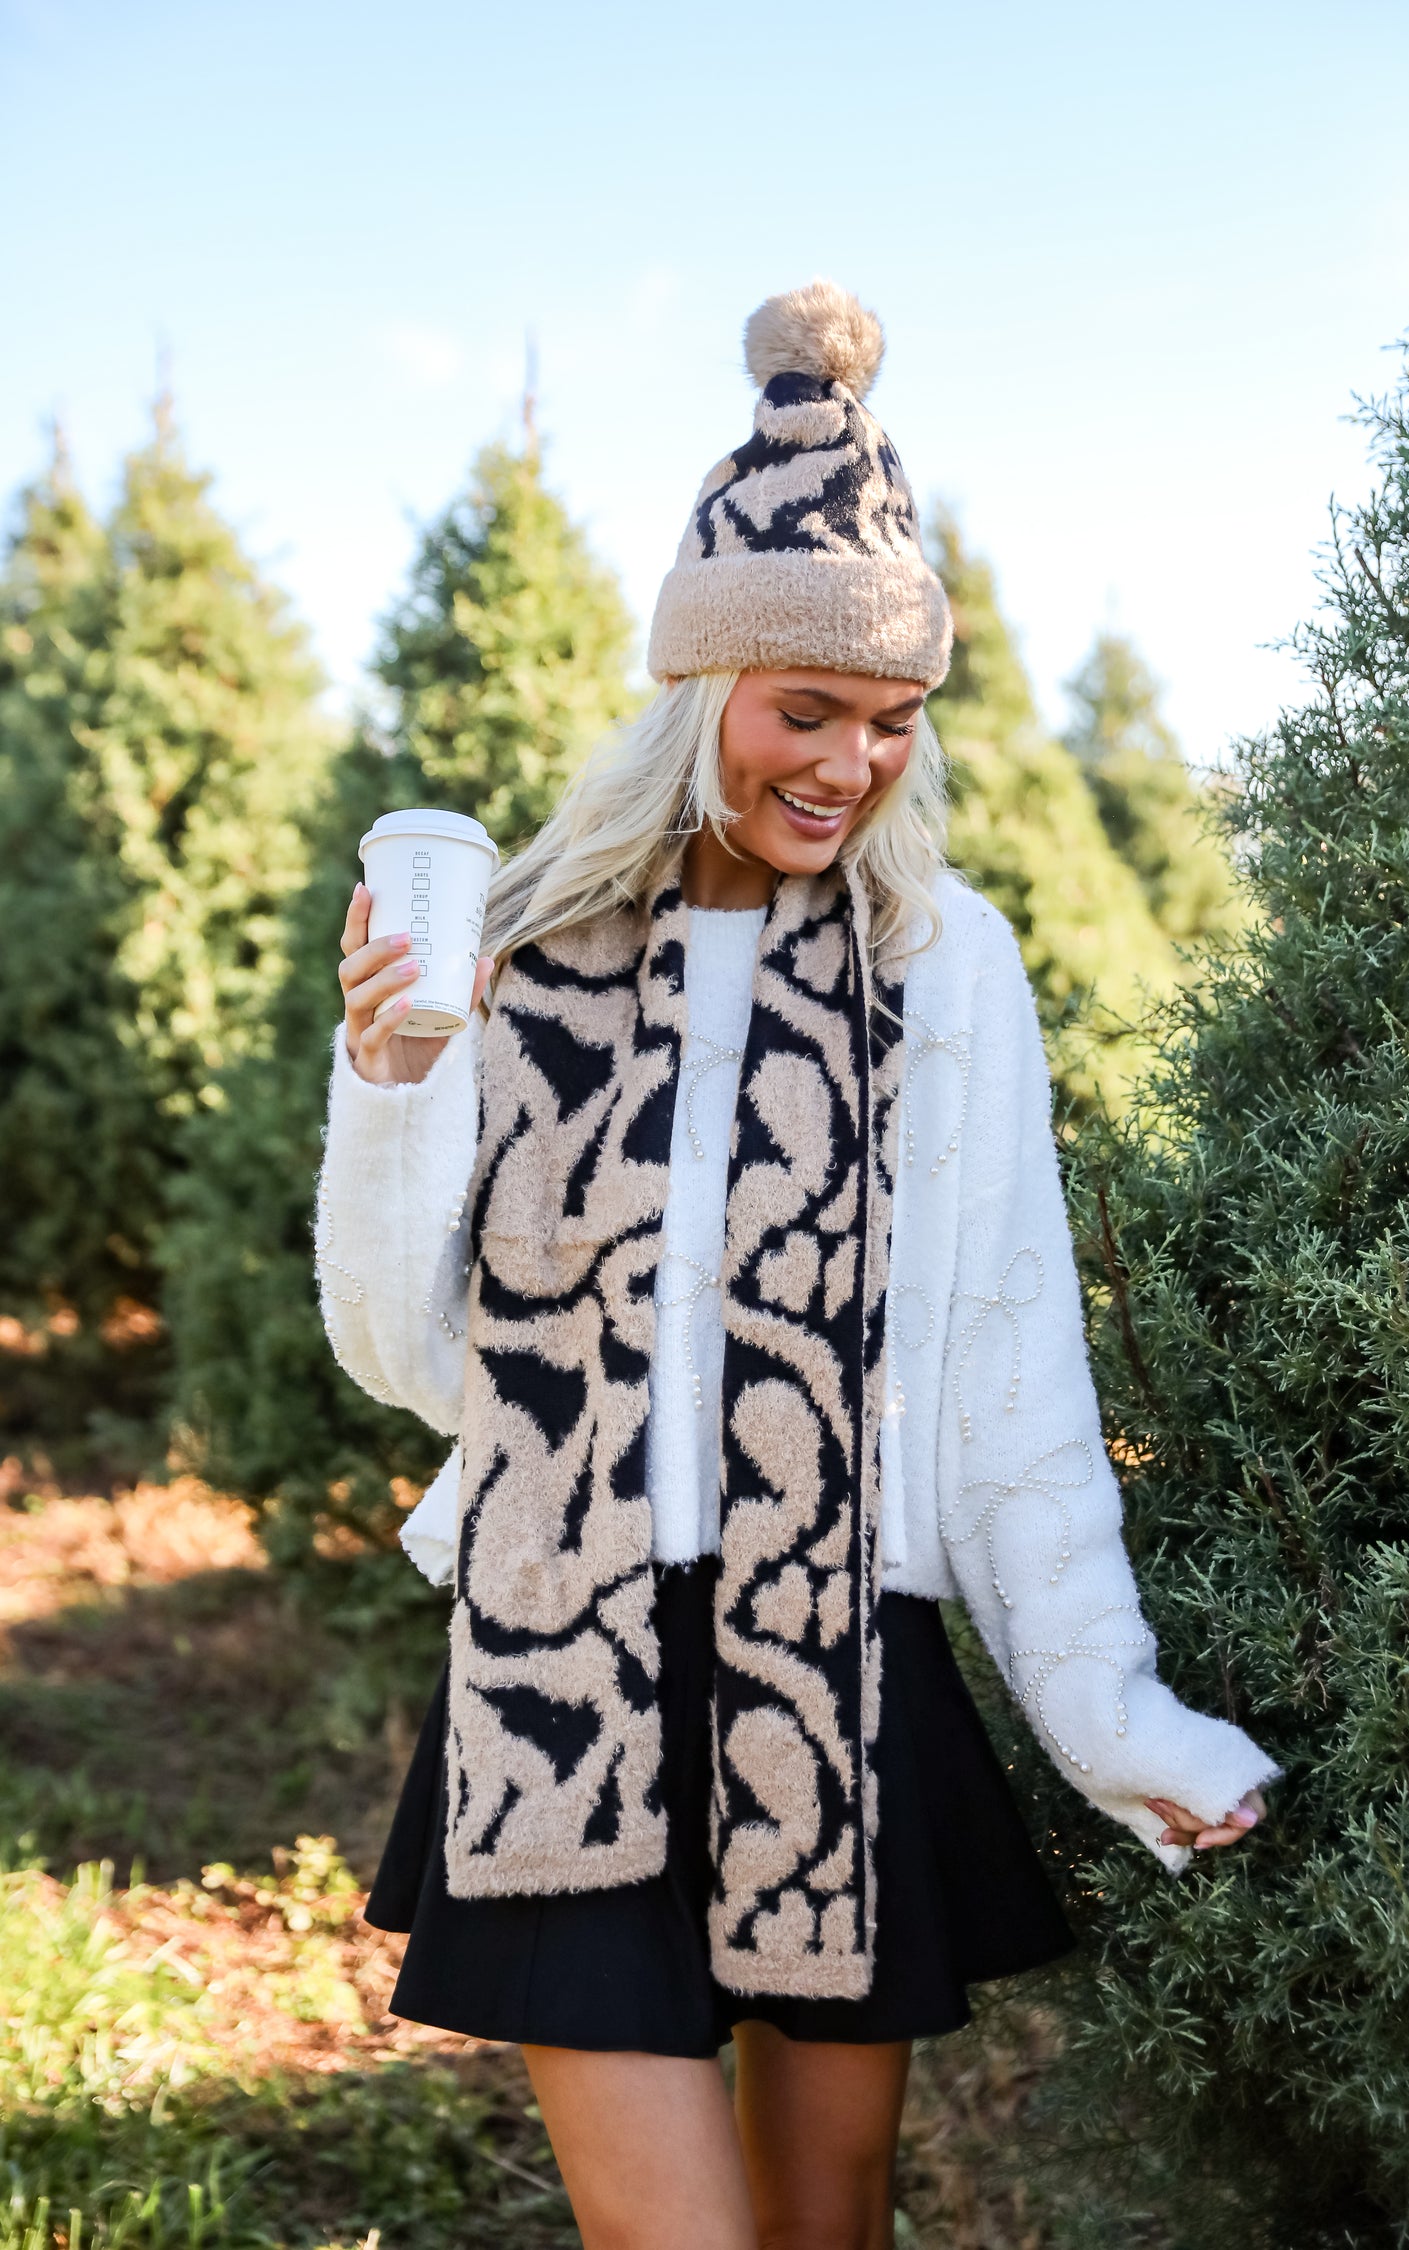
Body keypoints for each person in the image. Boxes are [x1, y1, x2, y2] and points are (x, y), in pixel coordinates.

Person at [316, 281, 1276, 2250]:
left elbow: (1010, 1382)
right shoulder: (532, 949)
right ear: (701, 694)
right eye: (807, 710)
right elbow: (418, 1365)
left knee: (828, 2229)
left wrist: (1116, 1721)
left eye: (893, 724)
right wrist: (396, 1081)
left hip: (841, 1672)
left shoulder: (946, 976)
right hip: (560, 1666)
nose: (850, 768)